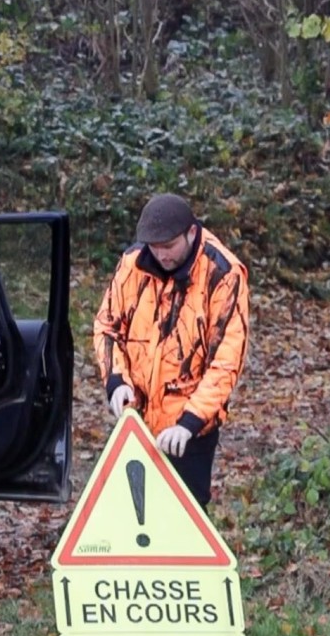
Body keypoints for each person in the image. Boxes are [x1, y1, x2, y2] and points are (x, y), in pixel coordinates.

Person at [93, 193, 250, 508]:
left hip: (189, 430)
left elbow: (226, 360)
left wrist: (189, 422)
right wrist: (116, 380)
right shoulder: (133, 263)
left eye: (169, 247)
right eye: (155, 247)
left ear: (191, 233)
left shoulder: (223, 273)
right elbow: (107, 327)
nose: (161, 255)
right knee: (134, 516)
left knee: (185, 521)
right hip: (136, 420)